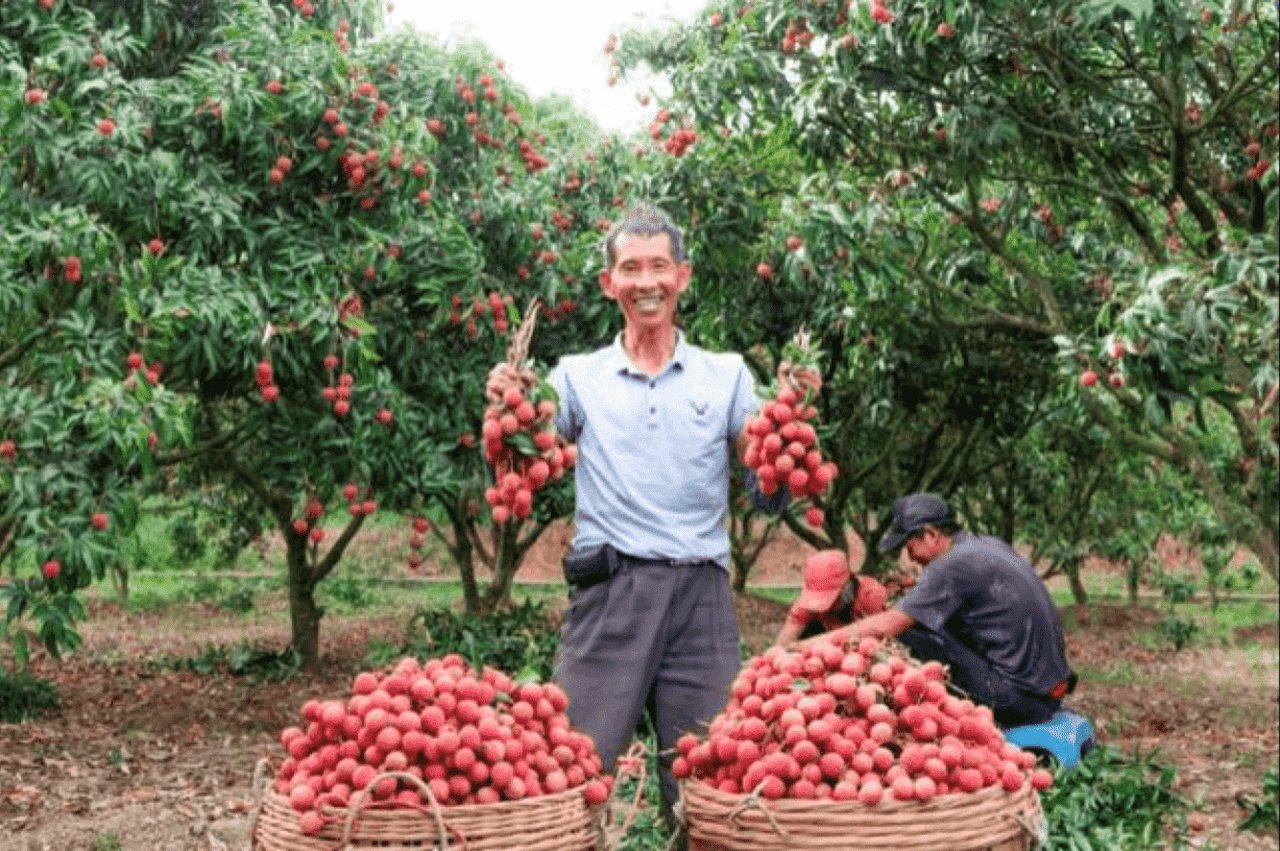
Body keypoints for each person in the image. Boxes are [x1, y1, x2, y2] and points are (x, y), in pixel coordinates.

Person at [485, 205, 817, 821]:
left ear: (682, 277)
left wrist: (785, 438)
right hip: (613, 593)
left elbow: (765, 488)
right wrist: (511, 412)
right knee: (572, 771)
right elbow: (517, 471)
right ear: (609, 283)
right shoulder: (577, 377)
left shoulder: (726, 376)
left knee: (706, 787)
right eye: (630, 269)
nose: (646, 282)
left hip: (702, 600)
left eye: (659, 267)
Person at [803, 493, 1074, 727]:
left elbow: (888, 626)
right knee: (924, 626)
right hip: (1045, 690)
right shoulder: (983, 545)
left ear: (931, 534)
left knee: (901, 639)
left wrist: (811, 645)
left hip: (1019, 699)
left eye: (910, 548)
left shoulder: (951, 565)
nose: (911, 558)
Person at [772, 548, 891, 646]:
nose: (823, 607)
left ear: (847, 585)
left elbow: (885, 642)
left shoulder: (871, 597)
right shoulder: (808, 604)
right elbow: (782, 644)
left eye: (830, 598)